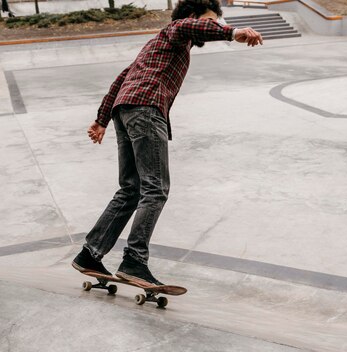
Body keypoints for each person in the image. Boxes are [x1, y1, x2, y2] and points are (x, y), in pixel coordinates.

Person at [72, 0, 263, 286]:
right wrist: (231, 32)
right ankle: (134, 261)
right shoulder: (176, 31)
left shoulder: (155, 45)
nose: (210, 28)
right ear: (193, 17)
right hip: (147, 110)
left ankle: (90, 254)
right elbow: (188, 25)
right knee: (155, 188)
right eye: (209, 22)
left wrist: (102, 120)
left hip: (125, 111)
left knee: (130, 189)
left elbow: (121, 78)